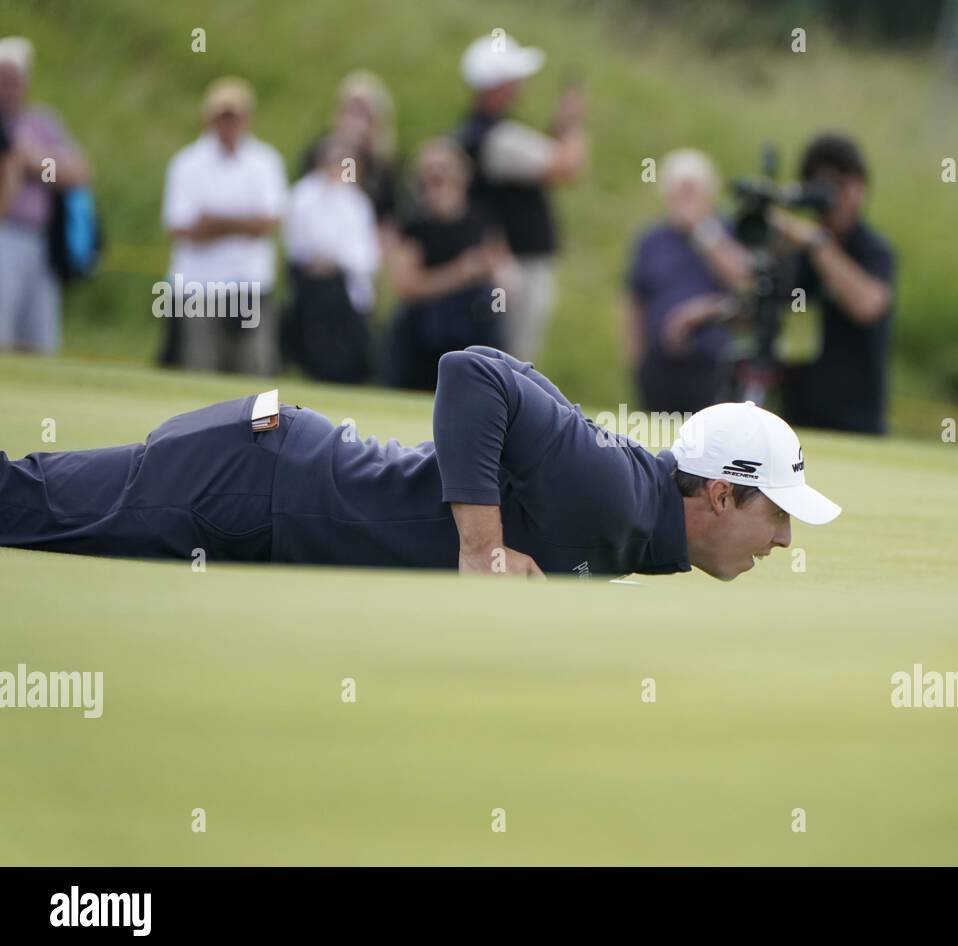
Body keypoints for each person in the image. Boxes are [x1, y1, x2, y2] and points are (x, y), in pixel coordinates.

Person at [0, 347, 841, 580]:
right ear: (724, 497)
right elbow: (472, 373)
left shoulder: (633, 514)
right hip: (245, 484)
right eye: (778, 516)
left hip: (262, 486)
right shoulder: (614, 488)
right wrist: (480, 549)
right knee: (20, 504)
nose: (783, 544)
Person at [455, 32, 586, 362]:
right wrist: (573, 124)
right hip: (517, 265)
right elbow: (566, 166)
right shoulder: (499, 138)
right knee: (514, 359)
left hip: (506, 262)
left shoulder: (477, 133)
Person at [159, 77, 287, 374]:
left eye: (234, 116)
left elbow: (268, 224)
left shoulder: (265, 162)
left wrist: (214, 222)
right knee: (201, 365)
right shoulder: (187, 163)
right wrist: (244, 223)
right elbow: (182, 228)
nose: (228, 124)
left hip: (250, 284)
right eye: (222, 117)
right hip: (200, 286)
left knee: (253, 369)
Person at [770, 133, 896, 435]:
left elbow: (868, 305)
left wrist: (817, 244)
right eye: (822, 186)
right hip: (795, 417)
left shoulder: (872, 249)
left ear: (860, 188)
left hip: (857, 419)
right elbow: (764, 304)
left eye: (841, 185)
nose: (834, 198)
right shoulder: (795, 251)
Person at [625, 149, 751, 414]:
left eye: (692, 192)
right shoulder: (652, 240)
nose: (685, 200)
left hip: (711, 366)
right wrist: (635, 361)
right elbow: (634, 301)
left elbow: (745, 283)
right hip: (660, 367)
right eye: (679, 192)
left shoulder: (726, 232)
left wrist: (701, 232)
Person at [385, 138, 509, 392]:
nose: (436, 177)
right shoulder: (414, 225)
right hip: (426, 329)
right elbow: (408, 287)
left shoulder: (482, 220)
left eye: (443, 168)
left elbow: (501, 272)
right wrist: (461, 272)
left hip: (473, 321)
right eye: (428, 171)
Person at [0, 36, 90, 354]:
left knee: (39, 335)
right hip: (5, 233)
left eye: (15, 81)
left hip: (41, 240)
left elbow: (78, 171)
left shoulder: (40, 122)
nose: (8, 88)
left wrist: (30, 160)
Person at [281, 135, 381, 384]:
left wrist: (337, 259)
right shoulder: (302, 196)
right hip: (312, 288)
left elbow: (368, 257)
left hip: (347, 292)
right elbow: (299, 247)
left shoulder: (358, 202)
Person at [299, 70, 399, 228]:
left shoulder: (381, 166)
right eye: (350, 112)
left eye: (362, 114)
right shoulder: (321, 152)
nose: (355, 121)